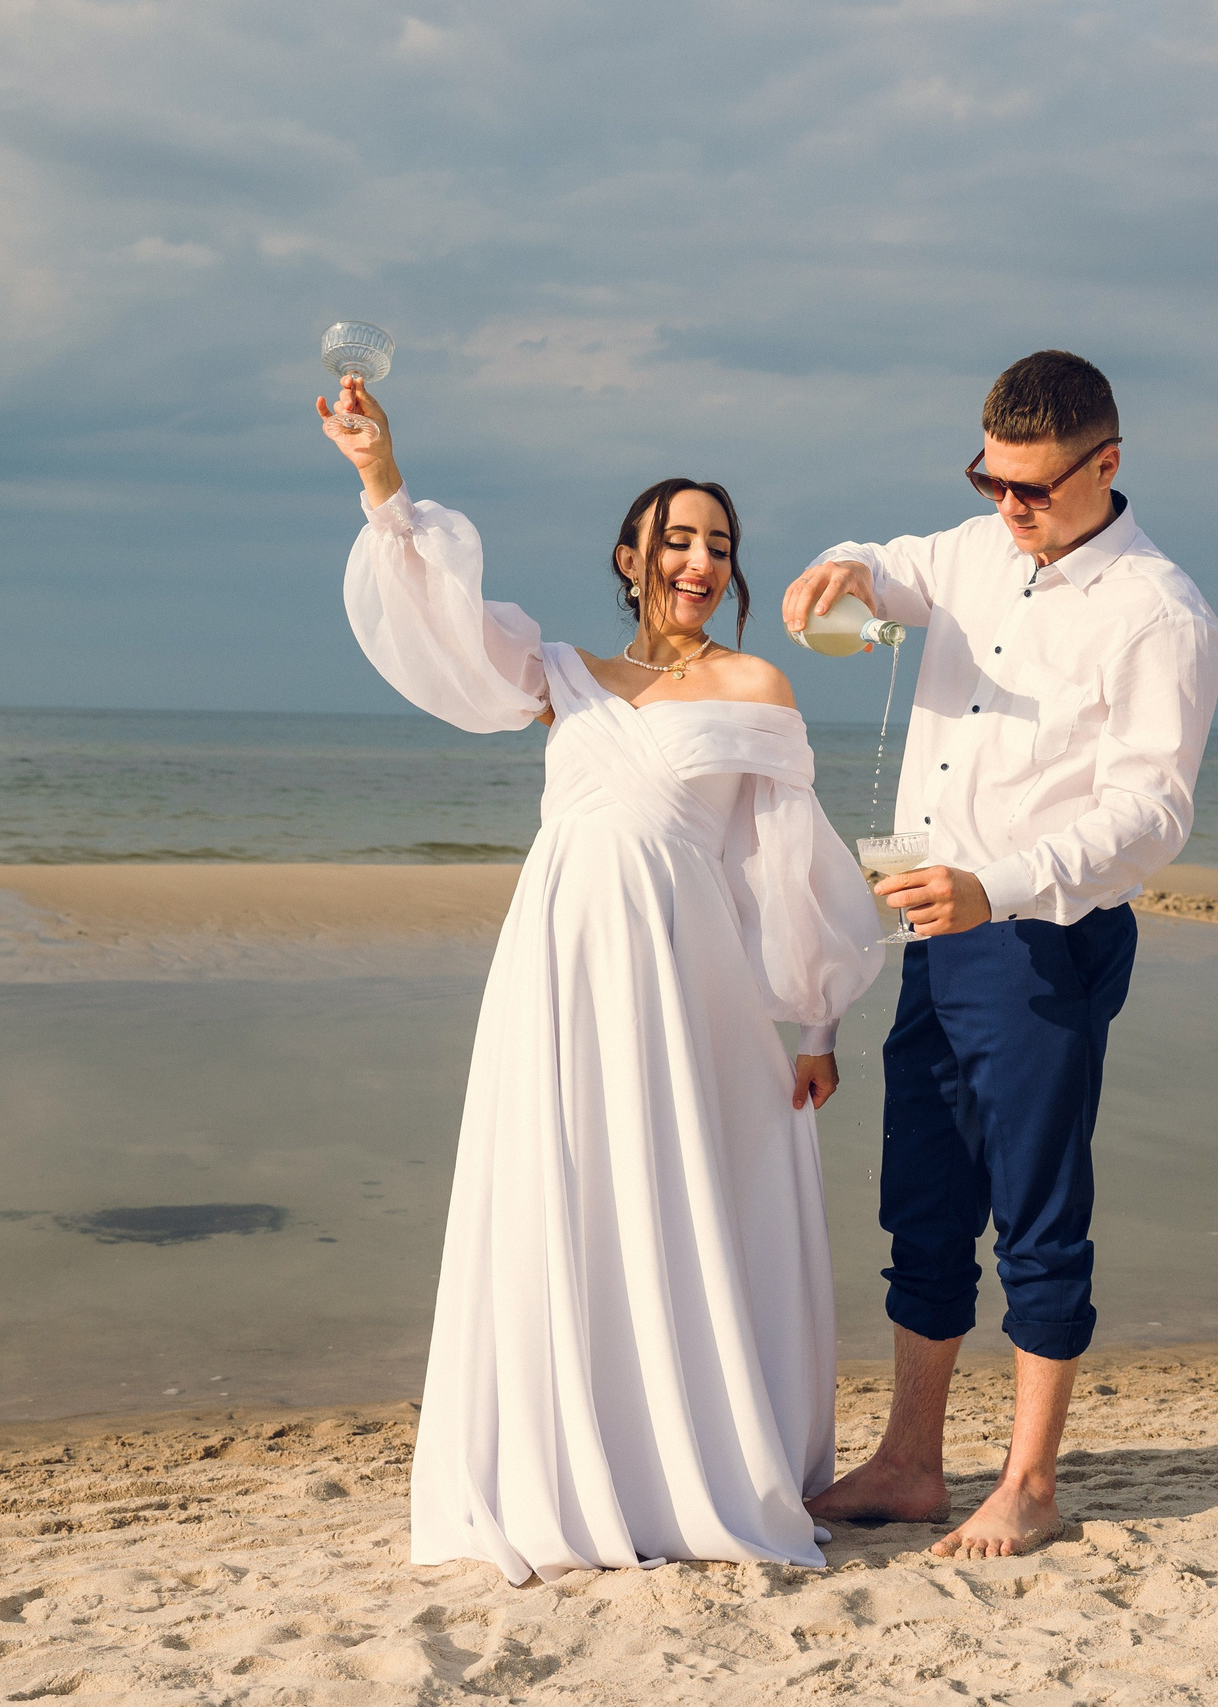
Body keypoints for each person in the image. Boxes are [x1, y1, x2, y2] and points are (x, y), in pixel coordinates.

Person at [318, 374, 883, 1584]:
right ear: (630, 554)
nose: (698, 559)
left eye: (717, 545)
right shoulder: (560, 673)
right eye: (676, 538)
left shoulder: (755, 687)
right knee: (562, 1188)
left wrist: (819, 1017)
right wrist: (380, 480)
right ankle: (570, 1472)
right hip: (559, 965)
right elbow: (444, 636)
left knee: (680, 1195)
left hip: (691, 980)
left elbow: (784, 863)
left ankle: (686, 1468)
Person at [784, 350, 1218, 1559]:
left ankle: (1028, 1484)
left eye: (1031, 488)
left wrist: (1004, 886)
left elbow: (1151, 816)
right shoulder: (979, 547)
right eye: (990, 480)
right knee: (922, 1208)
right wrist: (847, 566)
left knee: (1036, 1217)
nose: (1008, 507)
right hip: (935, 926)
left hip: (1046, 937)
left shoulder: (1162, 614)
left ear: (1107, 465)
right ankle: (911, 1463)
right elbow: (892, 566)